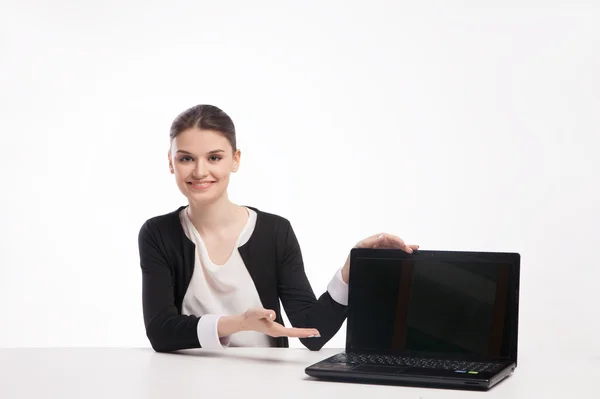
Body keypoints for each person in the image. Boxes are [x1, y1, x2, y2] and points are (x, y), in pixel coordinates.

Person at [138, 104, 418, 353]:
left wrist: (349, 271)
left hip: (266, 384)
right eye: (186, 158)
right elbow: (161, 331)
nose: (200, 171)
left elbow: (312, 333)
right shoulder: (158, 233)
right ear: (170, 162)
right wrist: (239, 323)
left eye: (214, 158)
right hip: (184, 382)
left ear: (235, 160)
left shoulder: (274, 232)